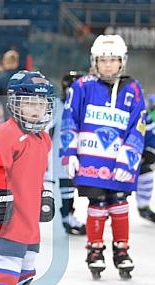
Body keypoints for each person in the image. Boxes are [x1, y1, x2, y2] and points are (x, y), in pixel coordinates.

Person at [63, 34, 146, 280]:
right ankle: (95, 248)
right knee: (97, 203)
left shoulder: (133, 88)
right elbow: (70, 118)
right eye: (102, 60)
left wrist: (129, 156)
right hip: (91, 160)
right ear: (94, 61)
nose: (108, 65)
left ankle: (121, 249)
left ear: (122, 61)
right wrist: (69, 152)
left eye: (113, 60)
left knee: (120, 202)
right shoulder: (82, 86)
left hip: (119, 161)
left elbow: (138, 124)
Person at [0, 71, 54, 285]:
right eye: (30, 103)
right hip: (7, 207)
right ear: (15, 103)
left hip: (28, 209)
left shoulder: (43, 138)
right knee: (9, 251)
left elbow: (39, 172)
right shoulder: (7, 132)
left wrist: (44, 193)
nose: (36, 109)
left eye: (41, 104)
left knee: (29, 252)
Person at [49, 71, 86, 235]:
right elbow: (46, 129)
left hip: (81, 154)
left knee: (76, 187)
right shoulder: (58, 105)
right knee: (67, 188)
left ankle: (72, 215)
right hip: (62, 155)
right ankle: (66, 217)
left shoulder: (85, 107)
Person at [136, 115, 155, 224]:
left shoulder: (140, 110)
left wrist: (150, 149)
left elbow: (151, 132)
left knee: (146, 174)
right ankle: (101, 205)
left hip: (137, 154)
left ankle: (143, 205)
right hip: (111, 156)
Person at [0, 50, 20, 119]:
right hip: (22, 118)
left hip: (6, 116)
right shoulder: (23, 79)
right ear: (17, 63)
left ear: (4, 62)